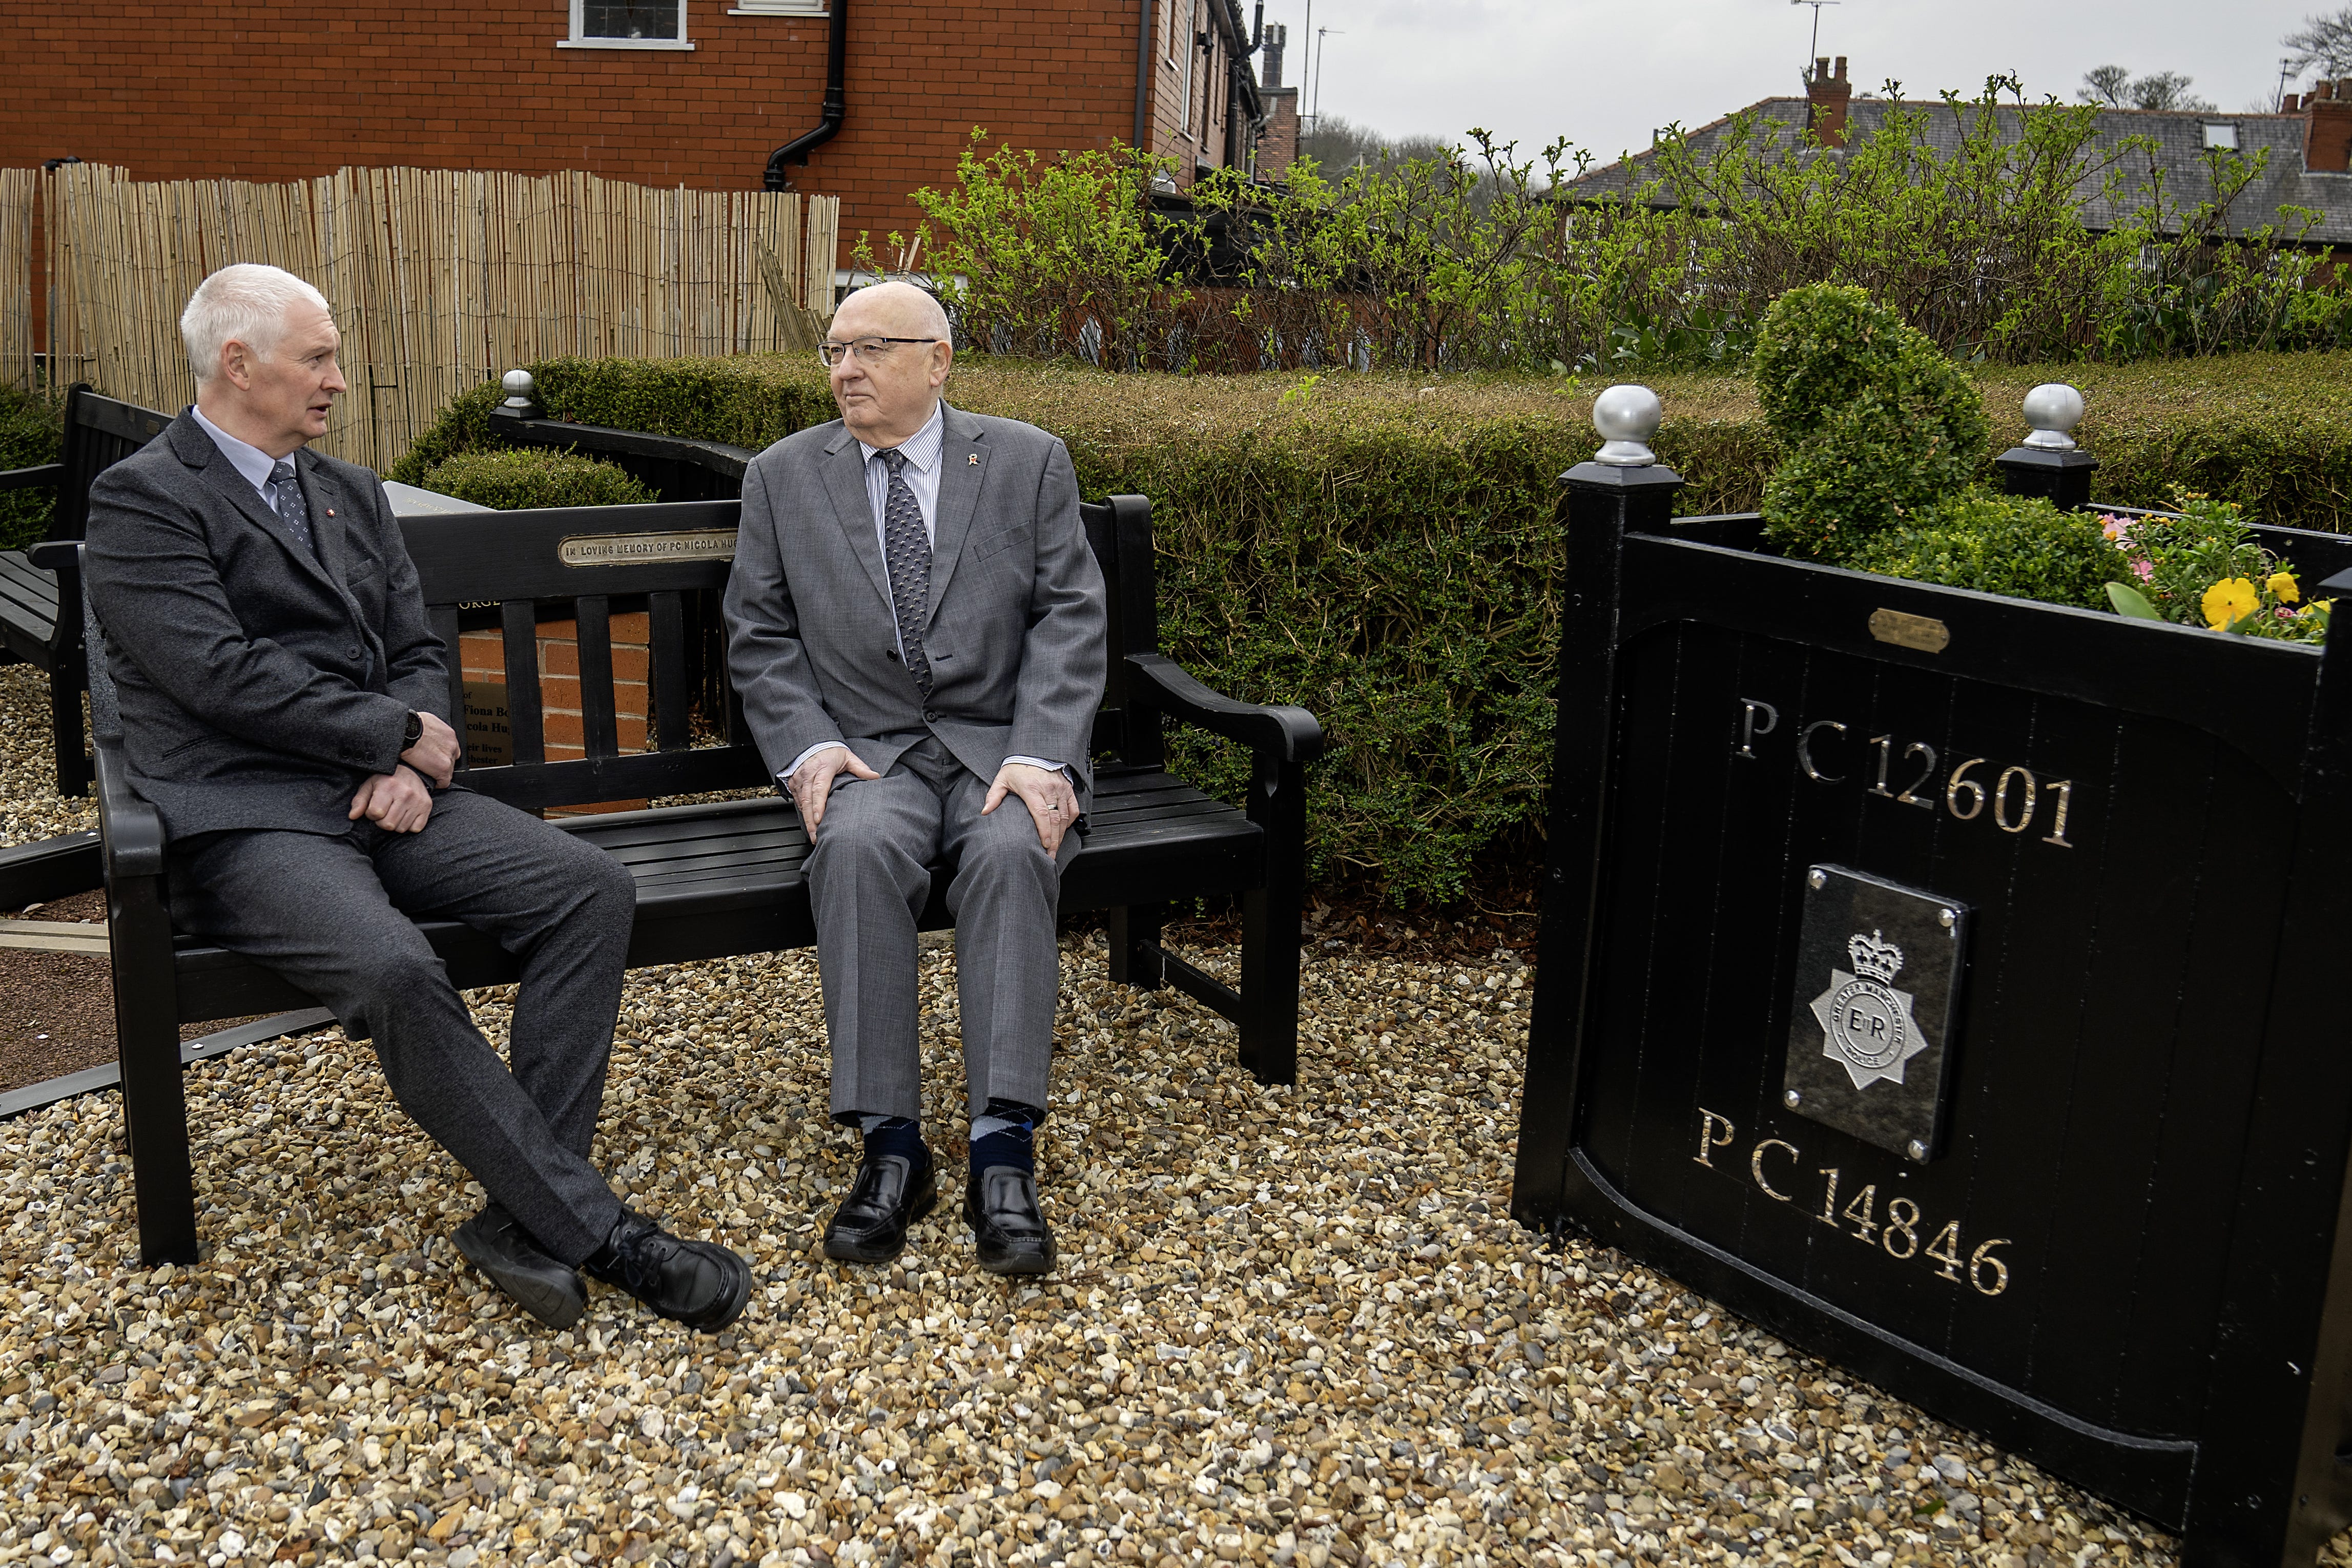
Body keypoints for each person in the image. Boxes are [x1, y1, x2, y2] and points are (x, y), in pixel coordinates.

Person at [82, 263, 750, 1333]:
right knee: (396, 966)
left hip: (389, 798)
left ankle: (518, 1217)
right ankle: (602, 1233)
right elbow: (214, 672)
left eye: (335, 357)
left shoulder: (346, 490)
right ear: (238, 363)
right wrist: (387, 733)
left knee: (588, 889)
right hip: (247, 818)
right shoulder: (143, 499)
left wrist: (409, 758)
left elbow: (410, 647)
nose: (338, 380)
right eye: (318, 358)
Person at [724, 281, 1107, 1275]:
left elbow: (1070, 614)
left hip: (998, 747)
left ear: (936, 361)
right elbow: (759, 636)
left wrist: (1040, 751)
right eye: (835, 350)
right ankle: (890, 1145)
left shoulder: (1027, 461)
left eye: (871, 349)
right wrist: (808, 749)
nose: (845, 369)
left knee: (1016, 853)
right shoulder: (783, 476)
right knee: (850, 850)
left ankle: (1001, 1147)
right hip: (869, 753)